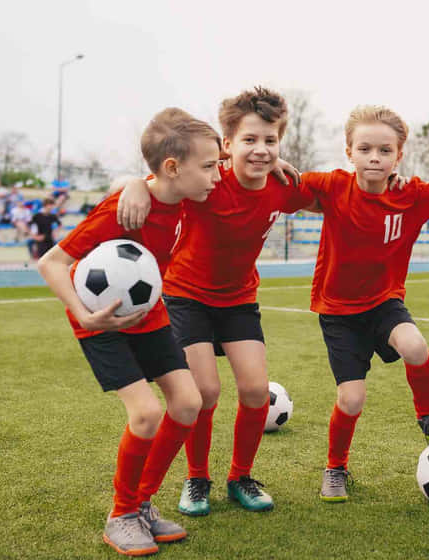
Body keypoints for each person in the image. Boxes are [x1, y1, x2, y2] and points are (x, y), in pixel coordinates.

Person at [116, 86, 310, 516]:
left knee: (257, 390)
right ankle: (197, 478)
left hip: (239, 299)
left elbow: (334, 193)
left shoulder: (283, 187)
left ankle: (241, 476)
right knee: (204, 391)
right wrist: (133, 182)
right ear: (227, 145)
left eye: (270, 141)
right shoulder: (207, 178)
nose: (260, 150)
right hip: (187, 296)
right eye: (249, 140)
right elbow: (157, 179)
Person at [36, 107, 221, 555]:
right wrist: (83, 313)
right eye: (211, 166)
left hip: (149, 312)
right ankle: (121, 514)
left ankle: (142, 504)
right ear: (174, 168)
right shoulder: (124, 210)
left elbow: (238, 173)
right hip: (100, 320)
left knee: (189, 402)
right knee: (146, 414)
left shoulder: (185, 195)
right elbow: (51, 262)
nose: (218, 176)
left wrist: (137, 178)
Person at [297, 105, 429, 503]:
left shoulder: (413, 194)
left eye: (384, 150)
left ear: (399, 155)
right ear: (349, 152)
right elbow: (284, 182)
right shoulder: (331, 186)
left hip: (383, 303)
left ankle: (427, 416)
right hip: (338, 314)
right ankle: (335, 468)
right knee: (351, 399)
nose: (374, 157)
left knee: (414, 345)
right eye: (365, 149)